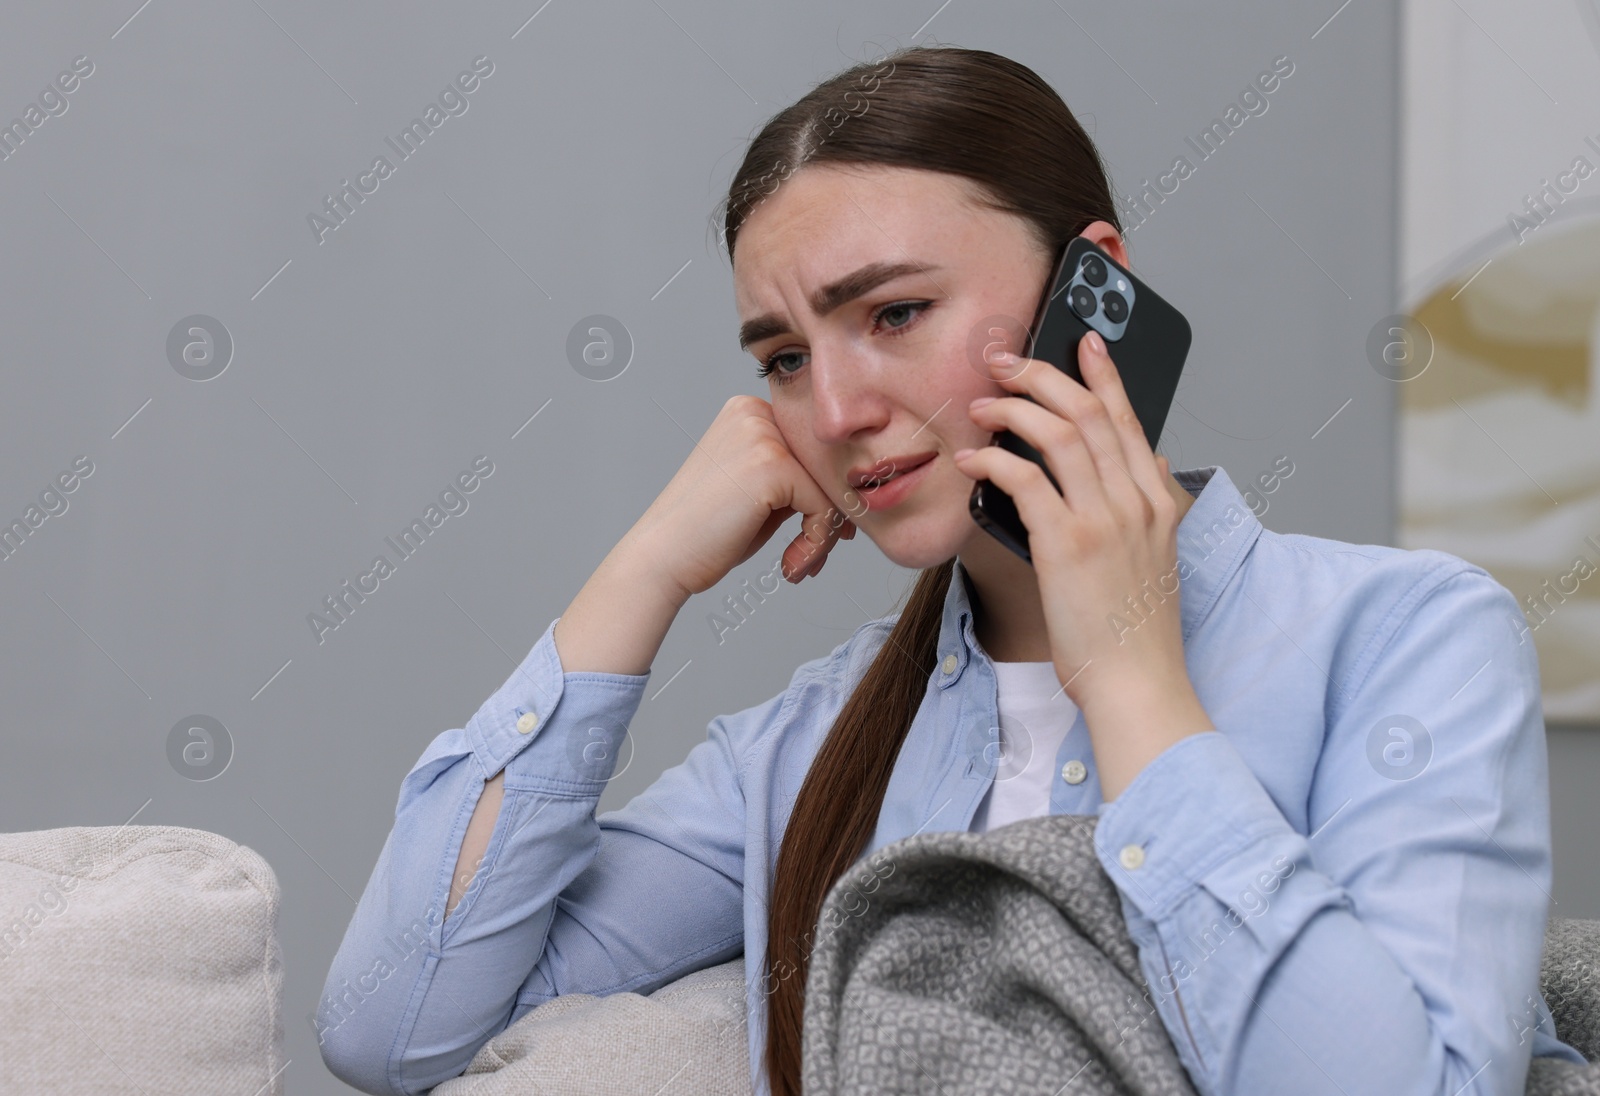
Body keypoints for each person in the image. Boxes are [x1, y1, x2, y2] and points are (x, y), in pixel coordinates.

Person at [318, 44, 1586, 1096]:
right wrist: (642, 572)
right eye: (781, 357)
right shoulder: (810, 746)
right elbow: (393, 1024)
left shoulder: (1407, 639)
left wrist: (1132, 682)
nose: (836, 405)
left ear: (1095, 290)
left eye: (892, 314)